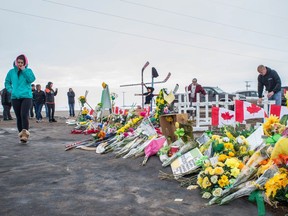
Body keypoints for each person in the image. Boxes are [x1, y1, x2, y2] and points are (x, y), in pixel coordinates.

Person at [4, 54, 36, 143]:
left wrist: (24, 70)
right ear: (16, 62)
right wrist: (11, 90)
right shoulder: (11, 72)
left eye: (22, 62)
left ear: (25, 63)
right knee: (18, 117)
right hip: (15, 97)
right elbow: (7, 82)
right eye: (18, 62)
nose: (20, 64)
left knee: (24, 115)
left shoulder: (28, 70)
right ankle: (21, 136)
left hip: (26, 96)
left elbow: (31, 79)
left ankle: (25, 135)